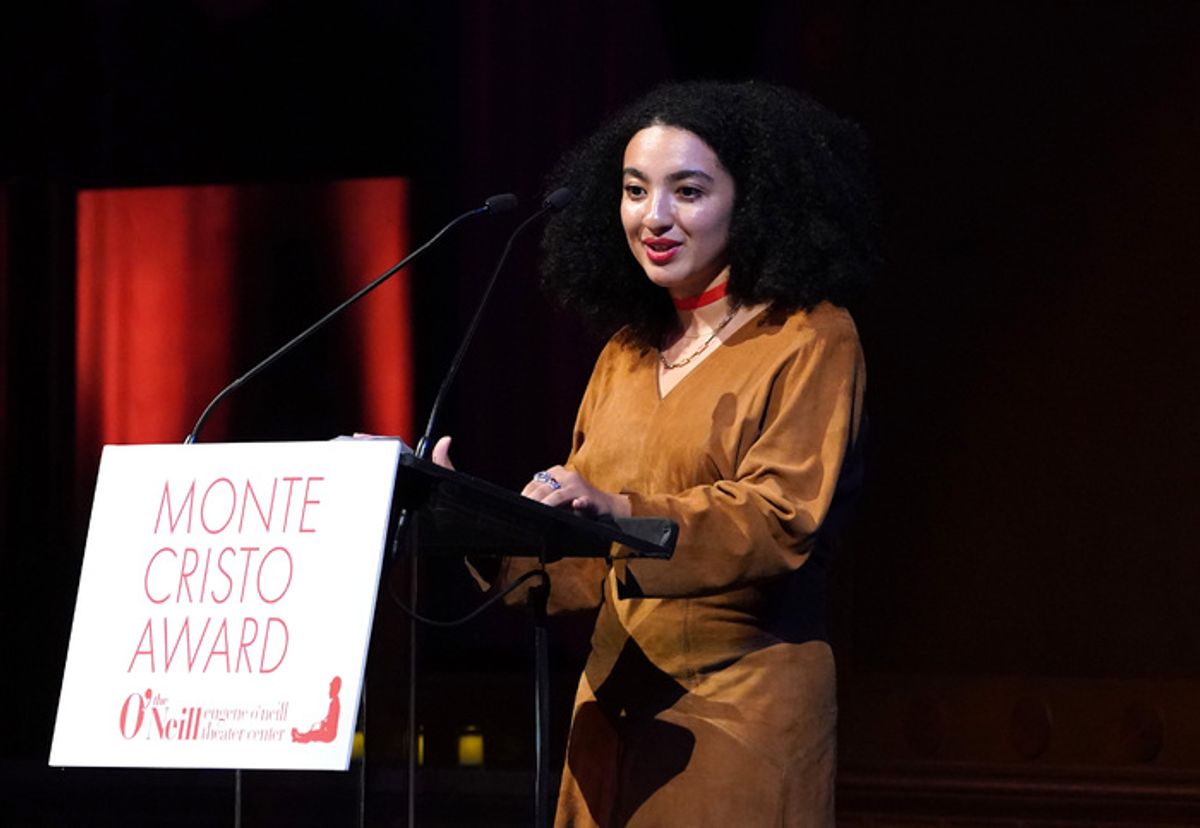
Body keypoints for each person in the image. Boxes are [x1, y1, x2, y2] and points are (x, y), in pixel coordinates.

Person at [436, 80, 878, 827]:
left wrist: (623, 513)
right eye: (636, 190)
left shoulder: (811, 337)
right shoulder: (626, 354)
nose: (655, 217)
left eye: (689, 191)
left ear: (753, 200)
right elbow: (583, 558)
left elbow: (779, 520)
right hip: (610, 710)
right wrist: (474, 520)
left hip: (738, 709)